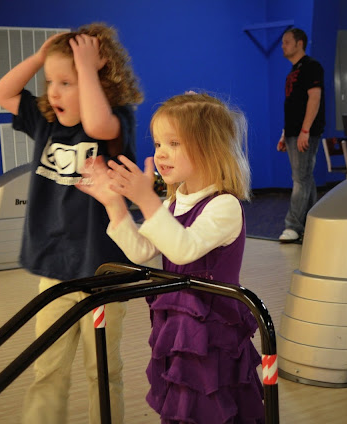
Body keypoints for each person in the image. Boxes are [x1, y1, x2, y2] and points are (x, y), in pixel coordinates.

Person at [77, 92, 264, 424]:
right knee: (182, 405)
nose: (161, 153)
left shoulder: (224, 206)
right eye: (158, 143)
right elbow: (141, 251)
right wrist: (114, 204)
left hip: (213, 330)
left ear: (209, 147)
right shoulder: (173, 204)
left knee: (212, 406)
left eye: (174, 143)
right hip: (177, 326)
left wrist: (146, 200)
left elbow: (183, 249)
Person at [0, 22, 143, 424]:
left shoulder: (116, 122)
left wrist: (86, 68)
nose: (53, 92)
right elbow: (0, 93)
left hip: (102, 273)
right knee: (47, 368)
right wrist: (41, 57)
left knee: (102, 372)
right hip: (55, 270)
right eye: (49, 82)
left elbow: (95, 125)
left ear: (98, 80)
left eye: (66, 83)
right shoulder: (46, 122)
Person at [276, 27, 325, 243]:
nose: (283, 46)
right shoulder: (292, 71)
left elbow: (314, 99)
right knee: (305, 178)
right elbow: (293, 106)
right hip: (293, 133)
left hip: (305, 133)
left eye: (287, 42)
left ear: (299, 44)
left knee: (300, 179)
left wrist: (305, 131)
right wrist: (285, 134)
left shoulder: (312, 67)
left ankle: (293, 225)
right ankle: (312, 223)